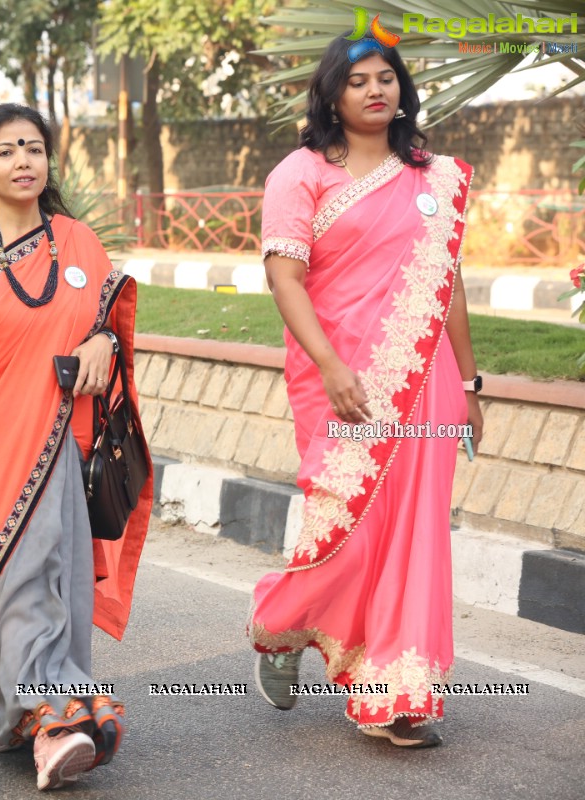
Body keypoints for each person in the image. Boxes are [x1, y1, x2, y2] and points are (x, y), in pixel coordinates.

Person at [0, 103, 152, 790]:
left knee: (49, 576)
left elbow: (110, 321)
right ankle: (55, 721)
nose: (23, 161)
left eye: (35, 148)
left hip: (63, 439)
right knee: (21, 571)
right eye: (7, 150)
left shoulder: (76, 241)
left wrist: (104, 341)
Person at [249, 35, 484, 748]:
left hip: (428, 380)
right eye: (358, 80)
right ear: (332, 95)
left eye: (387, 78)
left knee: (415, 535)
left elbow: (449, 288)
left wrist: (471, 383)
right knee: (349, 532)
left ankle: (399, 691)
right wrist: (330, 366)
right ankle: (279, 621)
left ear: (403, 91)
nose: (376, 90)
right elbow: (284, 279)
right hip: (340, 378)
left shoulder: (434, 178)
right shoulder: (300, 173)